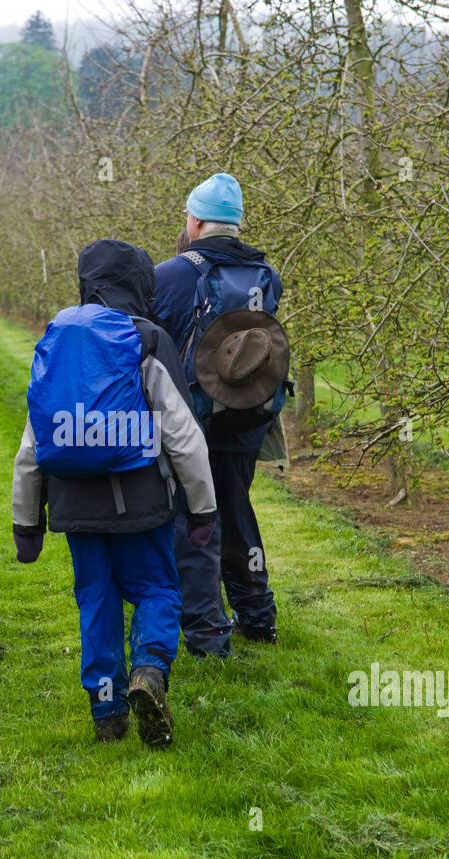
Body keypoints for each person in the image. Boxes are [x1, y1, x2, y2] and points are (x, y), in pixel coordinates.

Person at [11, 239, 216, 747]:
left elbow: (34, 440)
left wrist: (26, 522)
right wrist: (202, 506)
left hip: (73, 504)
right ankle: (148, 671)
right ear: (139, 283)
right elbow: (183, 435)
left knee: (96, 599)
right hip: (140, 501)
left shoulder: (57, 336)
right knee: (156, 589)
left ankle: (106, 710)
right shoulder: (146, 339)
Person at [151, 173, 286, 658]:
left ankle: (207, 632)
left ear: (196, 219)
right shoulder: (267, 274)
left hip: (192, 421)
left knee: (194, 520)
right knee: (237, 509)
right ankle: (258, 616)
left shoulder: (169, 274)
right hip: (248, 415)